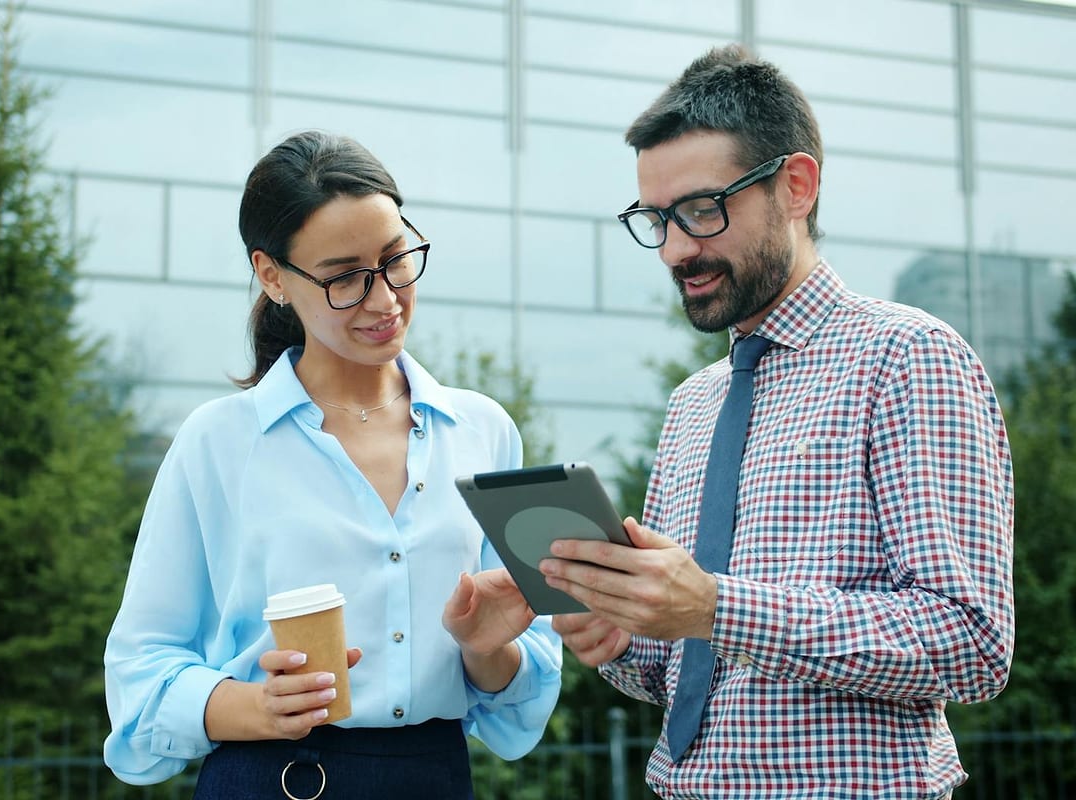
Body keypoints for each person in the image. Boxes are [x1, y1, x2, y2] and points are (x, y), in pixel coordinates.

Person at [541, 45, 1014, 800]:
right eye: (655, 218)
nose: (674, 249)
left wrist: (718, 607)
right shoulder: (693, 404)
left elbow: (969, 642)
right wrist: (621, 637)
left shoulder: (909, 357)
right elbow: (678, 675)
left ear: (795, 186)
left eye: (701, 210)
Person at [103, 130, 562, 799]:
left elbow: (520, 709)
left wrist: (486, 649)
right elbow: (140, 675)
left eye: (396, 259)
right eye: (345, 277)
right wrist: (254, 708)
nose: (384, 300)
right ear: (271, 275)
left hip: (437, 780)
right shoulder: (217, 443)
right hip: (271, 779)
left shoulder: (483, 430)